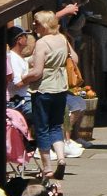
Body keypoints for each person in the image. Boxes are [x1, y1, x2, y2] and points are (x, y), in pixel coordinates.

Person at [24, 9, 72, 177]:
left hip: (44, 88)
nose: (34, 26)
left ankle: (47, 167)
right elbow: (75, 59)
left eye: (36, 23)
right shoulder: (62, 39)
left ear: (44, 25)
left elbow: (37, 72)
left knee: (42, 127)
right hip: (61, 87)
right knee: (56, 125)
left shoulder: (42, 43)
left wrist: (23, 79)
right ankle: (61, 158)